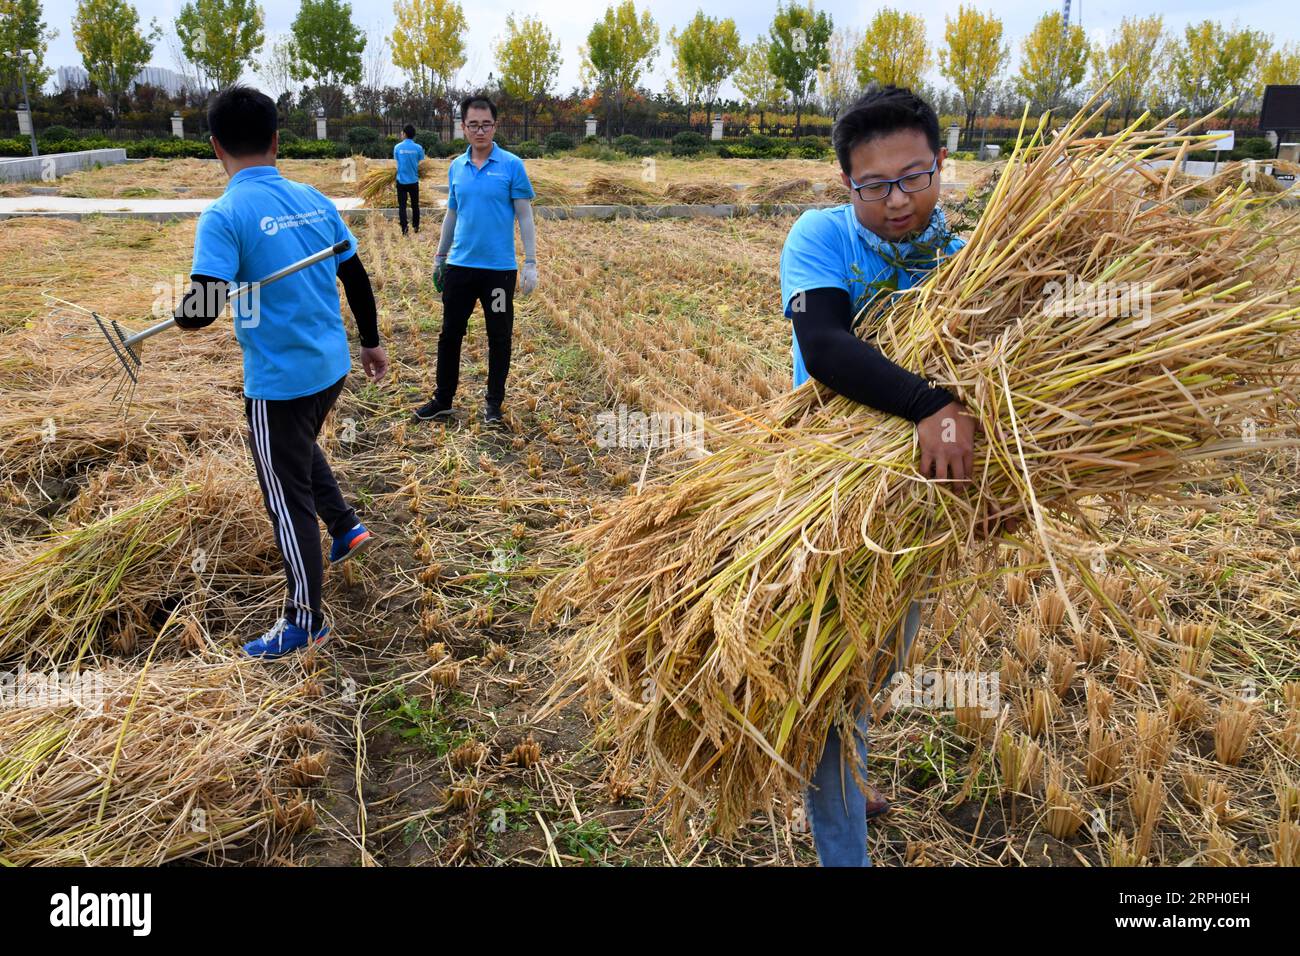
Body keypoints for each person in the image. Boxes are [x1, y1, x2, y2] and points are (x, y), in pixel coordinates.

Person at [778, 85, 973, 866]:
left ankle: (845, 768)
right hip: (825, 484)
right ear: (845, 184)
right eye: (874, 186)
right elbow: (825, 344)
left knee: (882, 659)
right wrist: (928, 402)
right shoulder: (819, 236)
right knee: (831, 678)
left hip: (917, 493)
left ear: (941, 163)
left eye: (915, 177)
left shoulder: (964, 254)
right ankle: (841, 842)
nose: (898, 200)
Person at [172, 83, 390, 659]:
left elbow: (203, 308)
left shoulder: (223, 216)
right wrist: (372, 343)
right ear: (276, 140)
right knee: (296, 447)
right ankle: (344, 525)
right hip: (331, 367)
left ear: (215, 146)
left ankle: (304, 620)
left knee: (285, 494)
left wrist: (179, 309)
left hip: (279, 380)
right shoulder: (314, 200)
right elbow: (356, 275)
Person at [413, 95, 538, 427]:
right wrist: (440, 257)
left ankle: (494, 404)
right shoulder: (456, 166)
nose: (480, 130)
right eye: (473, 124)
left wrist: (531, 262)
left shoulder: (512, 165)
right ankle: (442, 399)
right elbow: (451, 216)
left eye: (486, 124)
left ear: (495, 126)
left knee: (499, 337)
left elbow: (525, 217)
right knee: (450, 333)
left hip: (498, 273)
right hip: (460, 268)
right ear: (464, 128)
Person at [394, 124, 424, 235]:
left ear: (405, 134)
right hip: (413, 181)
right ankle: (416, 226)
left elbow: (396, 163)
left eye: (402, 133)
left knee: (402, 206)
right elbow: (421, 164)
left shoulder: (397, 147)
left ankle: (404, 229)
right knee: (415, 205)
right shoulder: (419, 148)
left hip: (401, 181)